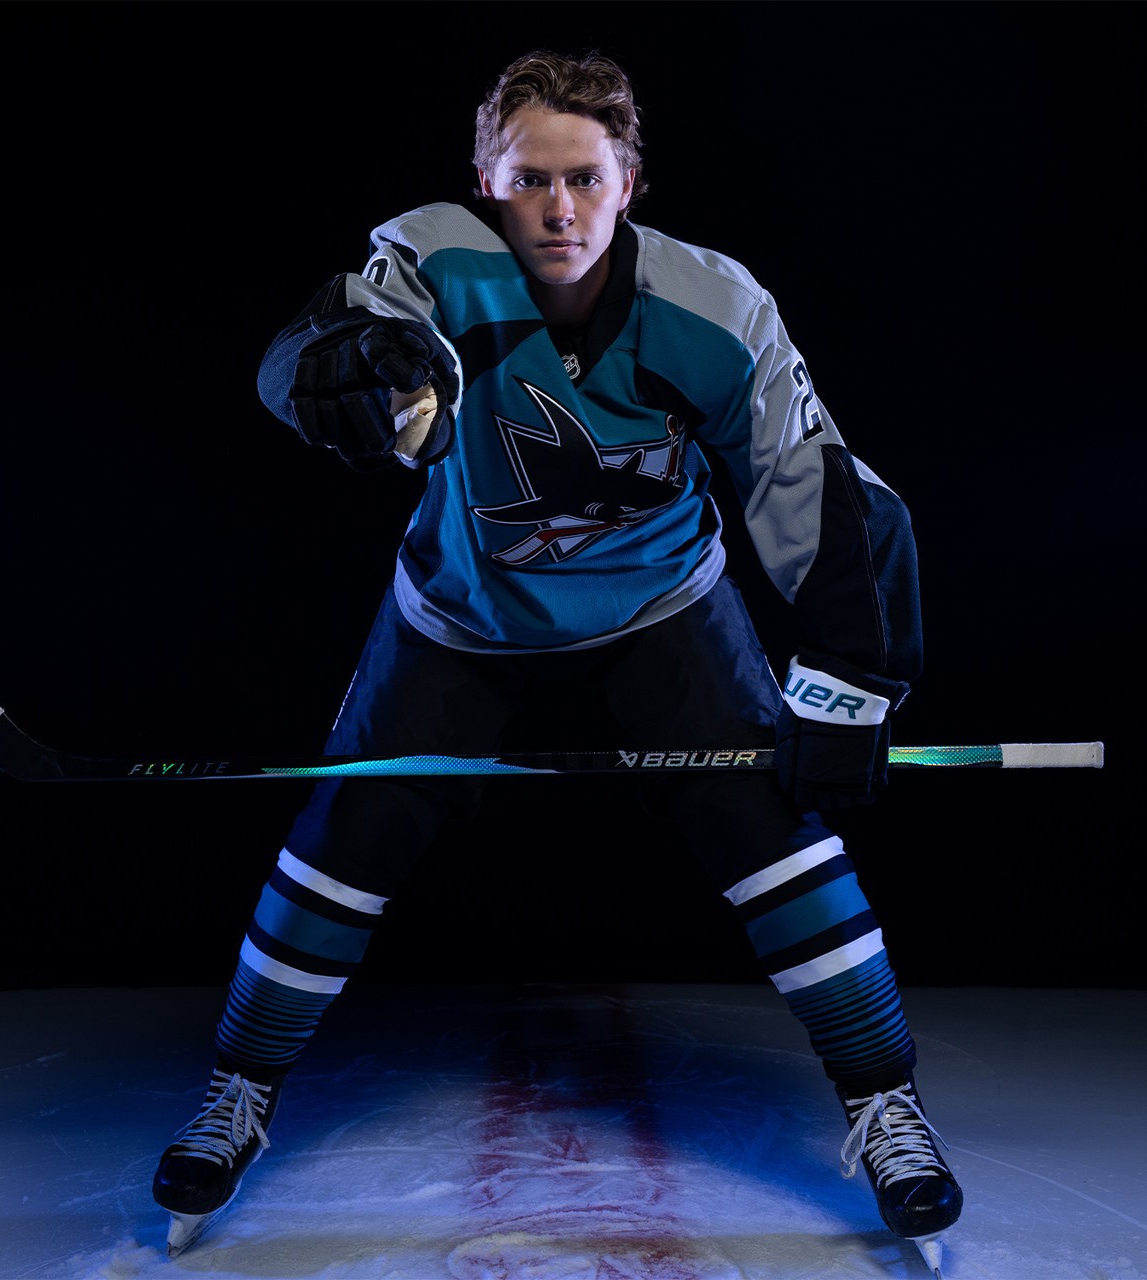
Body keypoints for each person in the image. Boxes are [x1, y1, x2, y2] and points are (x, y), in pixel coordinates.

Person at [151, 49, 963, 1272]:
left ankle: (883, 1100)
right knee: (345, 837)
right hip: (462, 613)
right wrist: (349, 369)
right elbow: (325, 339)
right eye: (528, 178)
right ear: (485, 180)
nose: (557, 208)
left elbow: (814, 485)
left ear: (627, 182)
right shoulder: (434, 258)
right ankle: (237, 1088)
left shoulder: (715, 305)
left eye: (583, 178)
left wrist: (849, 679)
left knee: (773, 831)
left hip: (658, 606)